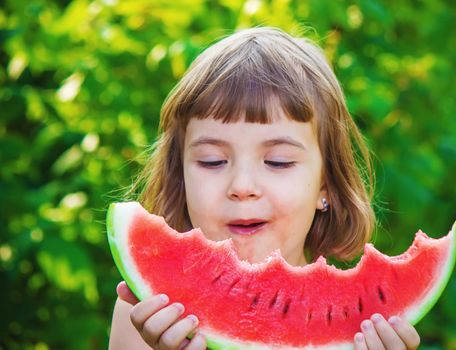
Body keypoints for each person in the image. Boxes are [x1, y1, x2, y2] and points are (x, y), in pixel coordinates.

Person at [109, 27, 421, 350]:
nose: (242, 187)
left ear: (325, 185)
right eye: (212, 161)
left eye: (278, 161)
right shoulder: (143, 319)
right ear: (181, 178)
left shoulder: (359, 330)